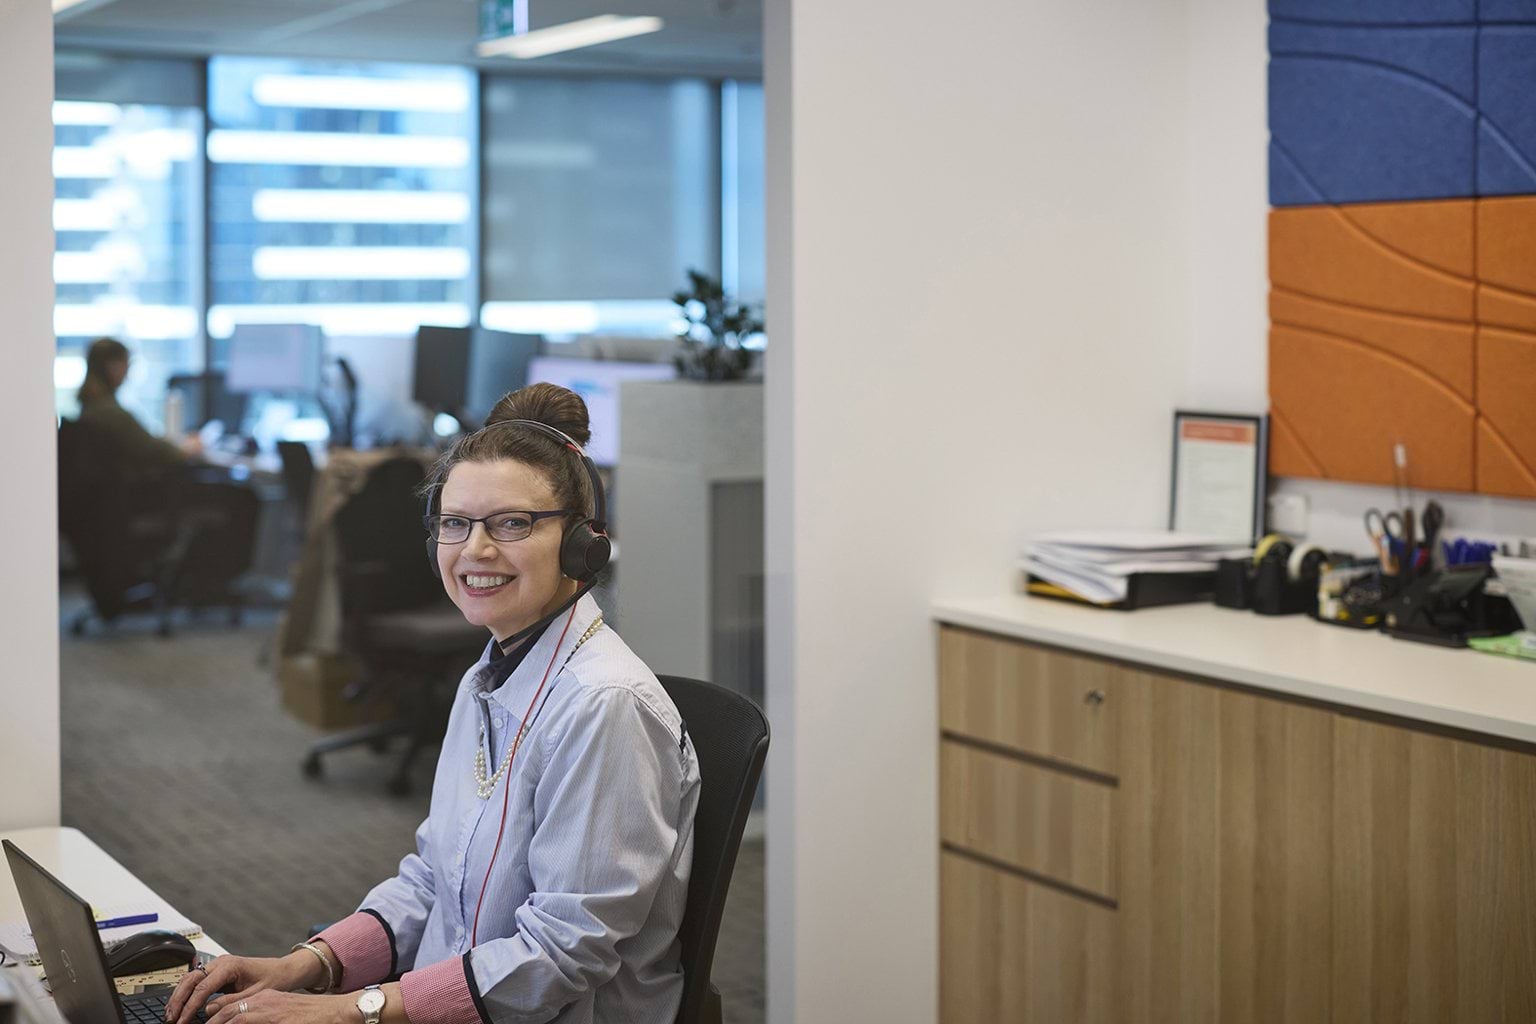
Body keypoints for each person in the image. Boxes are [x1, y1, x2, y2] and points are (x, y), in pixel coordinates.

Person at [167, 383, 701, 1024]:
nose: (475, 549)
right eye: (455, 524)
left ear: (583, 544)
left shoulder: (603, 705)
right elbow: (434, 879)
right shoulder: (489, 675)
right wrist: (306, 965)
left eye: (512, 523)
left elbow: (562, 955)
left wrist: (349, 1010)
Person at [74, 337, 202, 476]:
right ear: (113, 367)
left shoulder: (90, 407)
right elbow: (155, 451)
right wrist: (186, 449)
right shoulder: (111, 414)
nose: (128, 372)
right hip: (133, 491)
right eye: (127, 364)